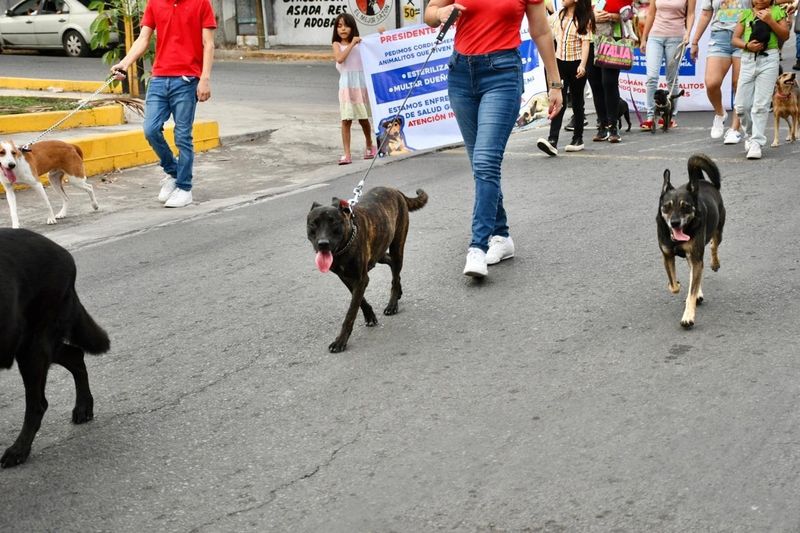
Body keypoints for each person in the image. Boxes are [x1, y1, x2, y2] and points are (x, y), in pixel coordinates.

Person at [424, 0, 563, 278]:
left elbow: (541, 32)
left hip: (502, 74)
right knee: (480, 164)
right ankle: (501, 236)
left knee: (486, 161)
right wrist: (439, 14)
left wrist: (555, 83)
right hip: (461, 75)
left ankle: (477, 246)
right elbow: (429, 14)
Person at [110, 0, 216, 208]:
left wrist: (205, 78)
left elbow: (209, 43)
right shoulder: (155, 3)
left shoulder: (201, 3)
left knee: (182, 135)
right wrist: (124, 63)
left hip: (187, 79)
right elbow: (143, 39)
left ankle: (185, 188)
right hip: (159, 78)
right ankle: (174, 173)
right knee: (150, 130)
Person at [731, 0, 789, 159]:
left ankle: (757, 142)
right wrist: (747, 45)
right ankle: (749, 135)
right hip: (748, 59)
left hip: (769, 58)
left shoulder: (777, 11)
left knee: (760, 105)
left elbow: (785, 34)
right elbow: (735, 39)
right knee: (741, 106)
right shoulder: (746, 13)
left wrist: (770, 20)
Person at [538, 0, 595, 155]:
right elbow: (542, 25)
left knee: (577, 101)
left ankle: (578, 138)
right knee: (559, 101)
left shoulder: (584, 19)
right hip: (559, 63)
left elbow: (585, 44)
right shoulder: (559, 15)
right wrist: (546, 8)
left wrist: (583, 65)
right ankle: (552, 140)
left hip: (577, 64)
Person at [690, 0, 748, 143]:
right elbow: (705, 13)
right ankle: (720, 113)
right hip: (719, 37)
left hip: (744, 35)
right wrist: (695, 41)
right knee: (712, 83)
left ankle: (735, 129)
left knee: (739, 84)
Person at [640, 0, 697, 130]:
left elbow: (691, 14)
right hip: (655, 36)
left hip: (676, 37)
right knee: (651, 77)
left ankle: (670, 117)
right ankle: (650, 117)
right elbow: (651, 14)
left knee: (672, 79)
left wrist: (688, 33)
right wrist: (644, 38)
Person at [331, 13, 376, 165]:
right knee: (346, 120)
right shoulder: (337, 45)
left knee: (363, 119)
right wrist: (352, 44)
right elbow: (340, 58)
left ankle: (370, 146)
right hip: (346, 86)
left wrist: (382, 34)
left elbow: (375, 48)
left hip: (360, 84)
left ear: (352, 27)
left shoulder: (361, 43)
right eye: (339, 26)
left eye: (346, 25)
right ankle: (347, 154)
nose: (343, 29)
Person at [588, 0, 633, 143]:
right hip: (589, 41)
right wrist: (591, 16)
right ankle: (602, 125)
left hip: (612, 39)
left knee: (609, 82)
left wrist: (613, 16)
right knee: (595, 84)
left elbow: (629, 13)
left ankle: (613, 126)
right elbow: (577, 13)